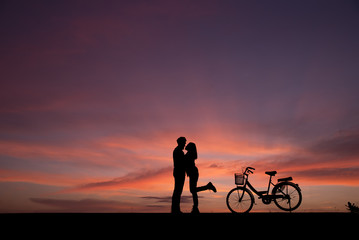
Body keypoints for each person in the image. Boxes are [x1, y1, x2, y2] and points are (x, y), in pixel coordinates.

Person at [185, 142, 216, 214]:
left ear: (190, 147)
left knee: (193, 190)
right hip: (193, 173)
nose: (186, 146)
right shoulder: (190, 154)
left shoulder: (189, 154)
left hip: (193, 173)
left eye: (188, 145)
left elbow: (185, 160)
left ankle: (208, 186)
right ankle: (195, 208)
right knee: (193, 191)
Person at [171, 136, 187, 214]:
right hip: (179, 172)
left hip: (178, 172)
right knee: (178, 191)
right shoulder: (178, 151)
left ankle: (175, 209)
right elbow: (181, 162)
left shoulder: (178, 151)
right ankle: (175, 210)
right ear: (180, 143)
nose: (184, 145)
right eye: (184, 143)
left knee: (178, 191)